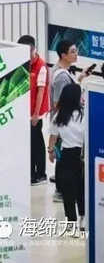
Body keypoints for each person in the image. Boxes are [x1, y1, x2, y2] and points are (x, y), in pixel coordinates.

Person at [48, 83, 85, 227]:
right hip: (81, 155)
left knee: (67, 189)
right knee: (81, 187)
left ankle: (71, 221)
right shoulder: (84, 115)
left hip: (66, 156)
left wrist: (50, 152)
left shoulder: (59, 116)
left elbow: (53, 137)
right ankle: (83, 217)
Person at [17, 35, 49, 186]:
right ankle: (30, 171)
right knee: (27, 143)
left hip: (35, 113)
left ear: (32, 49)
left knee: (37, 143)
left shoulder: (41, 66)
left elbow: (41, 92)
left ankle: (41, 174)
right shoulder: (22, 62)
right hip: (25, 111)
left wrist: (36, 114)